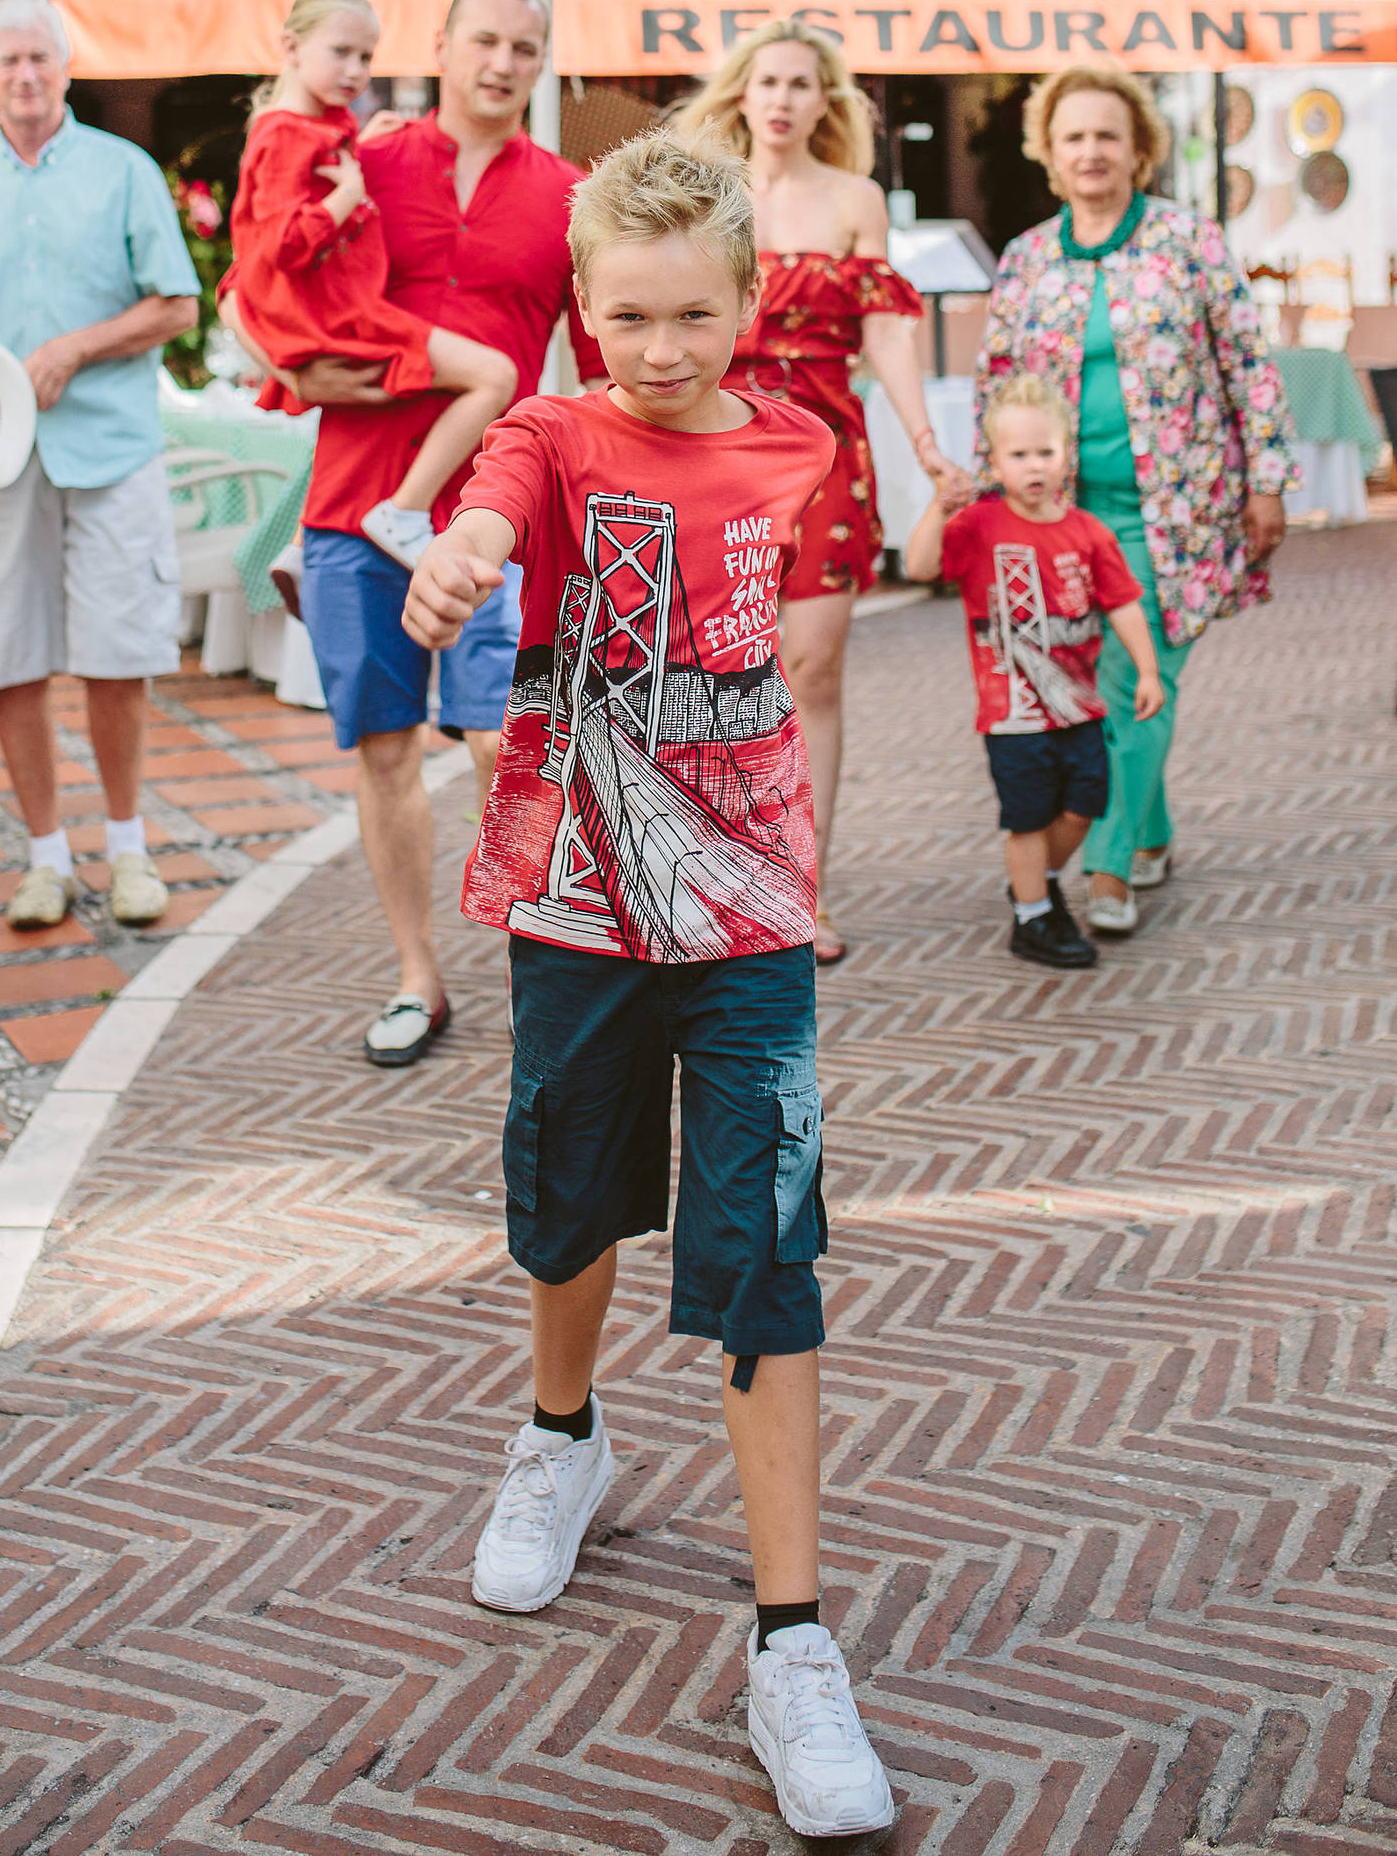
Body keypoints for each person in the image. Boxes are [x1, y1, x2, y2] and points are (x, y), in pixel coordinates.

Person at [402, 132, 895, 1842]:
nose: (663, 348)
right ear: (584, 309)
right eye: (628, 316)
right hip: (577, 896)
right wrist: (461, 559)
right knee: (570, 1193)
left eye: (695, 313)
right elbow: (493, 505)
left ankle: (792, 1643)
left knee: (766, 1242)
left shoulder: (798, 439)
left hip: (751, 906)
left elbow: (782, 646)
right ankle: (563, 1437)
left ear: (752, 300)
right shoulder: (550, 426)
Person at [252, 0, 602, 1070]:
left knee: (507, 738)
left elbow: (600, 368)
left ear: (542, 66)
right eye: (485, 40)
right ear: (442, 45)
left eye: (526, 48)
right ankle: (417, 975)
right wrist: (293, 367)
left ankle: (538, 964)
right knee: (387, 748)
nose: (503, 62)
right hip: (355, 504)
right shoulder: (364, 159)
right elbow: (257, 287)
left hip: (499, 512)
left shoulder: (568, 195)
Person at [0, 0, 199, 929]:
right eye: (7, 62)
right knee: (9, 656)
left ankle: (129, 852)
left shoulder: (124, 172)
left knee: (117, 657)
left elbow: (176, 305)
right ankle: (45, 859)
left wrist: (75, 349)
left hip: (108, 450)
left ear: (66, 70)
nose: (25, 76)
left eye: (40, 59)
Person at [977, 67, 1294, 937]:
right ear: (1049, 151)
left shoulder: (1190, 243)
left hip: (1177, 515)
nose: (1091, 151)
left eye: (1106, 135)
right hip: (1061, 520)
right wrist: (984, 502)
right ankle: (1150, 828)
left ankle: (1109, 865)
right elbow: (996, 388)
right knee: (1085, 682)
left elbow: (1249, 367)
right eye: (1072, 135)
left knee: (1134, 678)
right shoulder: (1028, 259)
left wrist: (1266, 479)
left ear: (1139, 148)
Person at [678, 19, 970, 963]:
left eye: (803, 84)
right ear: (742, 90)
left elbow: (886, 332)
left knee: (814, 671)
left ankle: (802, 887)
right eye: (768, 80)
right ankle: (712, 873)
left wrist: (927, 442)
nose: (783, 98)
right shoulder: (699, 187)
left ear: (824, 101)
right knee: (709, 671)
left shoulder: (856, 198)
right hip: (710, 449)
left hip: (826, 452)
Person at [222, 0, 516, 571]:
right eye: (342, 53)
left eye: (366, 57)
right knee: (493, 376)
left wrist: (364, 149)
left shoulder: (320, 127)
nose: (355, 70)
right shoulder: (283, 133)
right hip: (339, 314)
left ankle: (306, 544)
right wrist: (349, 194)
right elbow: (274, 245)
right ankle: (402, 511)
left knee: (441, 387)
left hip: (338, 310)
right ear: (291, 46)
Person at [906, 371, 1164, 969]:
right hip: (1012, 714)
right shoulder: (979, 526)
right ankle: (1033, 919)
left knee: (1083, 808)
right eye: (1018, 455)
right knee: (1026, 819)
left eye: (1045, 452)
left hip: (1078, 705)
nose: (1034, 466)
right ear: (994, 460)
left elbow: (1123, 602)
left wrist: (1148, 672)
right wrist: (938, 508)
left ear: (1067, 455)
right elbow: (921, 567)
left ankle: (1036, 882)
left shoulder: (1088, 532)